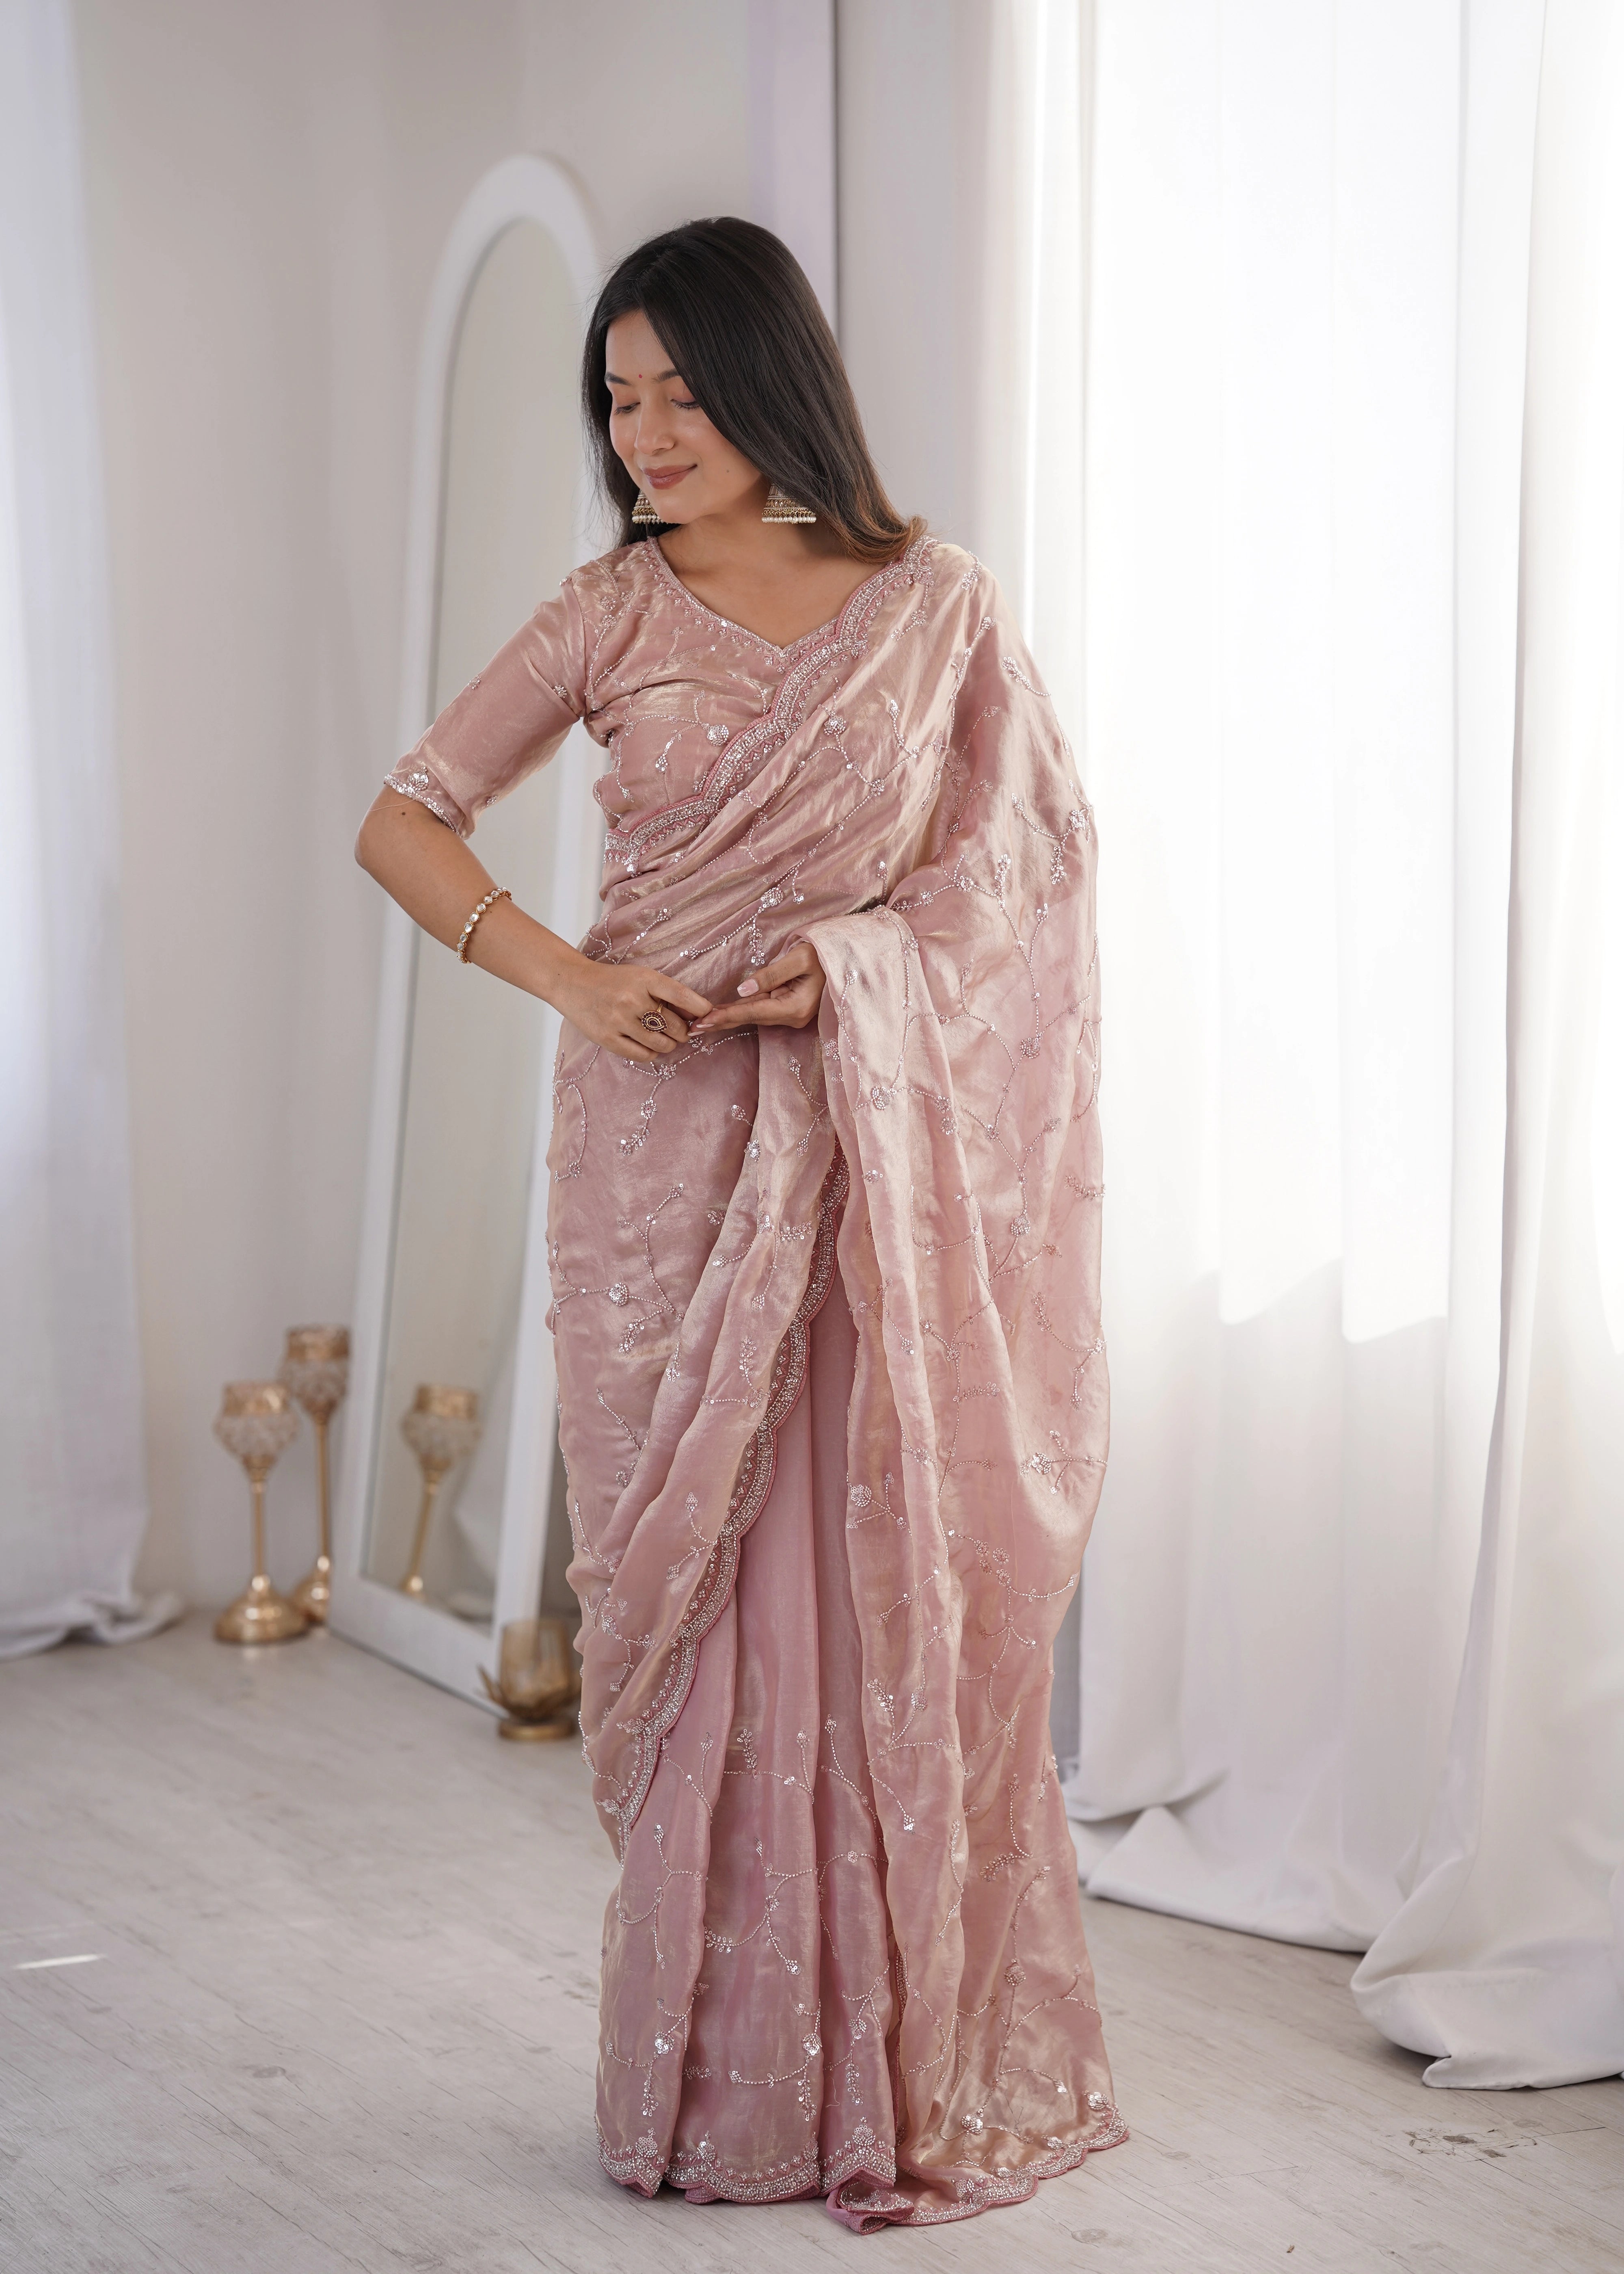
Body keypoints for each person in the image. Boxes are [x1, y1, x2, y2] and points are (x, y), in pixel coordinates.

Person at [356, 217, 1123, 2232]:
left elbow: (1025, 875)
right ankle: (711, 2089)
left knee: (862, 1577)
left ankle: (880, 2062)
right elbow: (401, 813)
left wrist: (849, 967)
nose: (648, 428)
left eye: (682, 387)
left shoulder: (932, 608)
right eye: (619, 396)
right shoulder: (609, 612)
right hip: (657, 1152)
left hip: (870, 1155)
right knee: (694, 1596)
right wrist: (571, 977)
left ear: (772, 379)